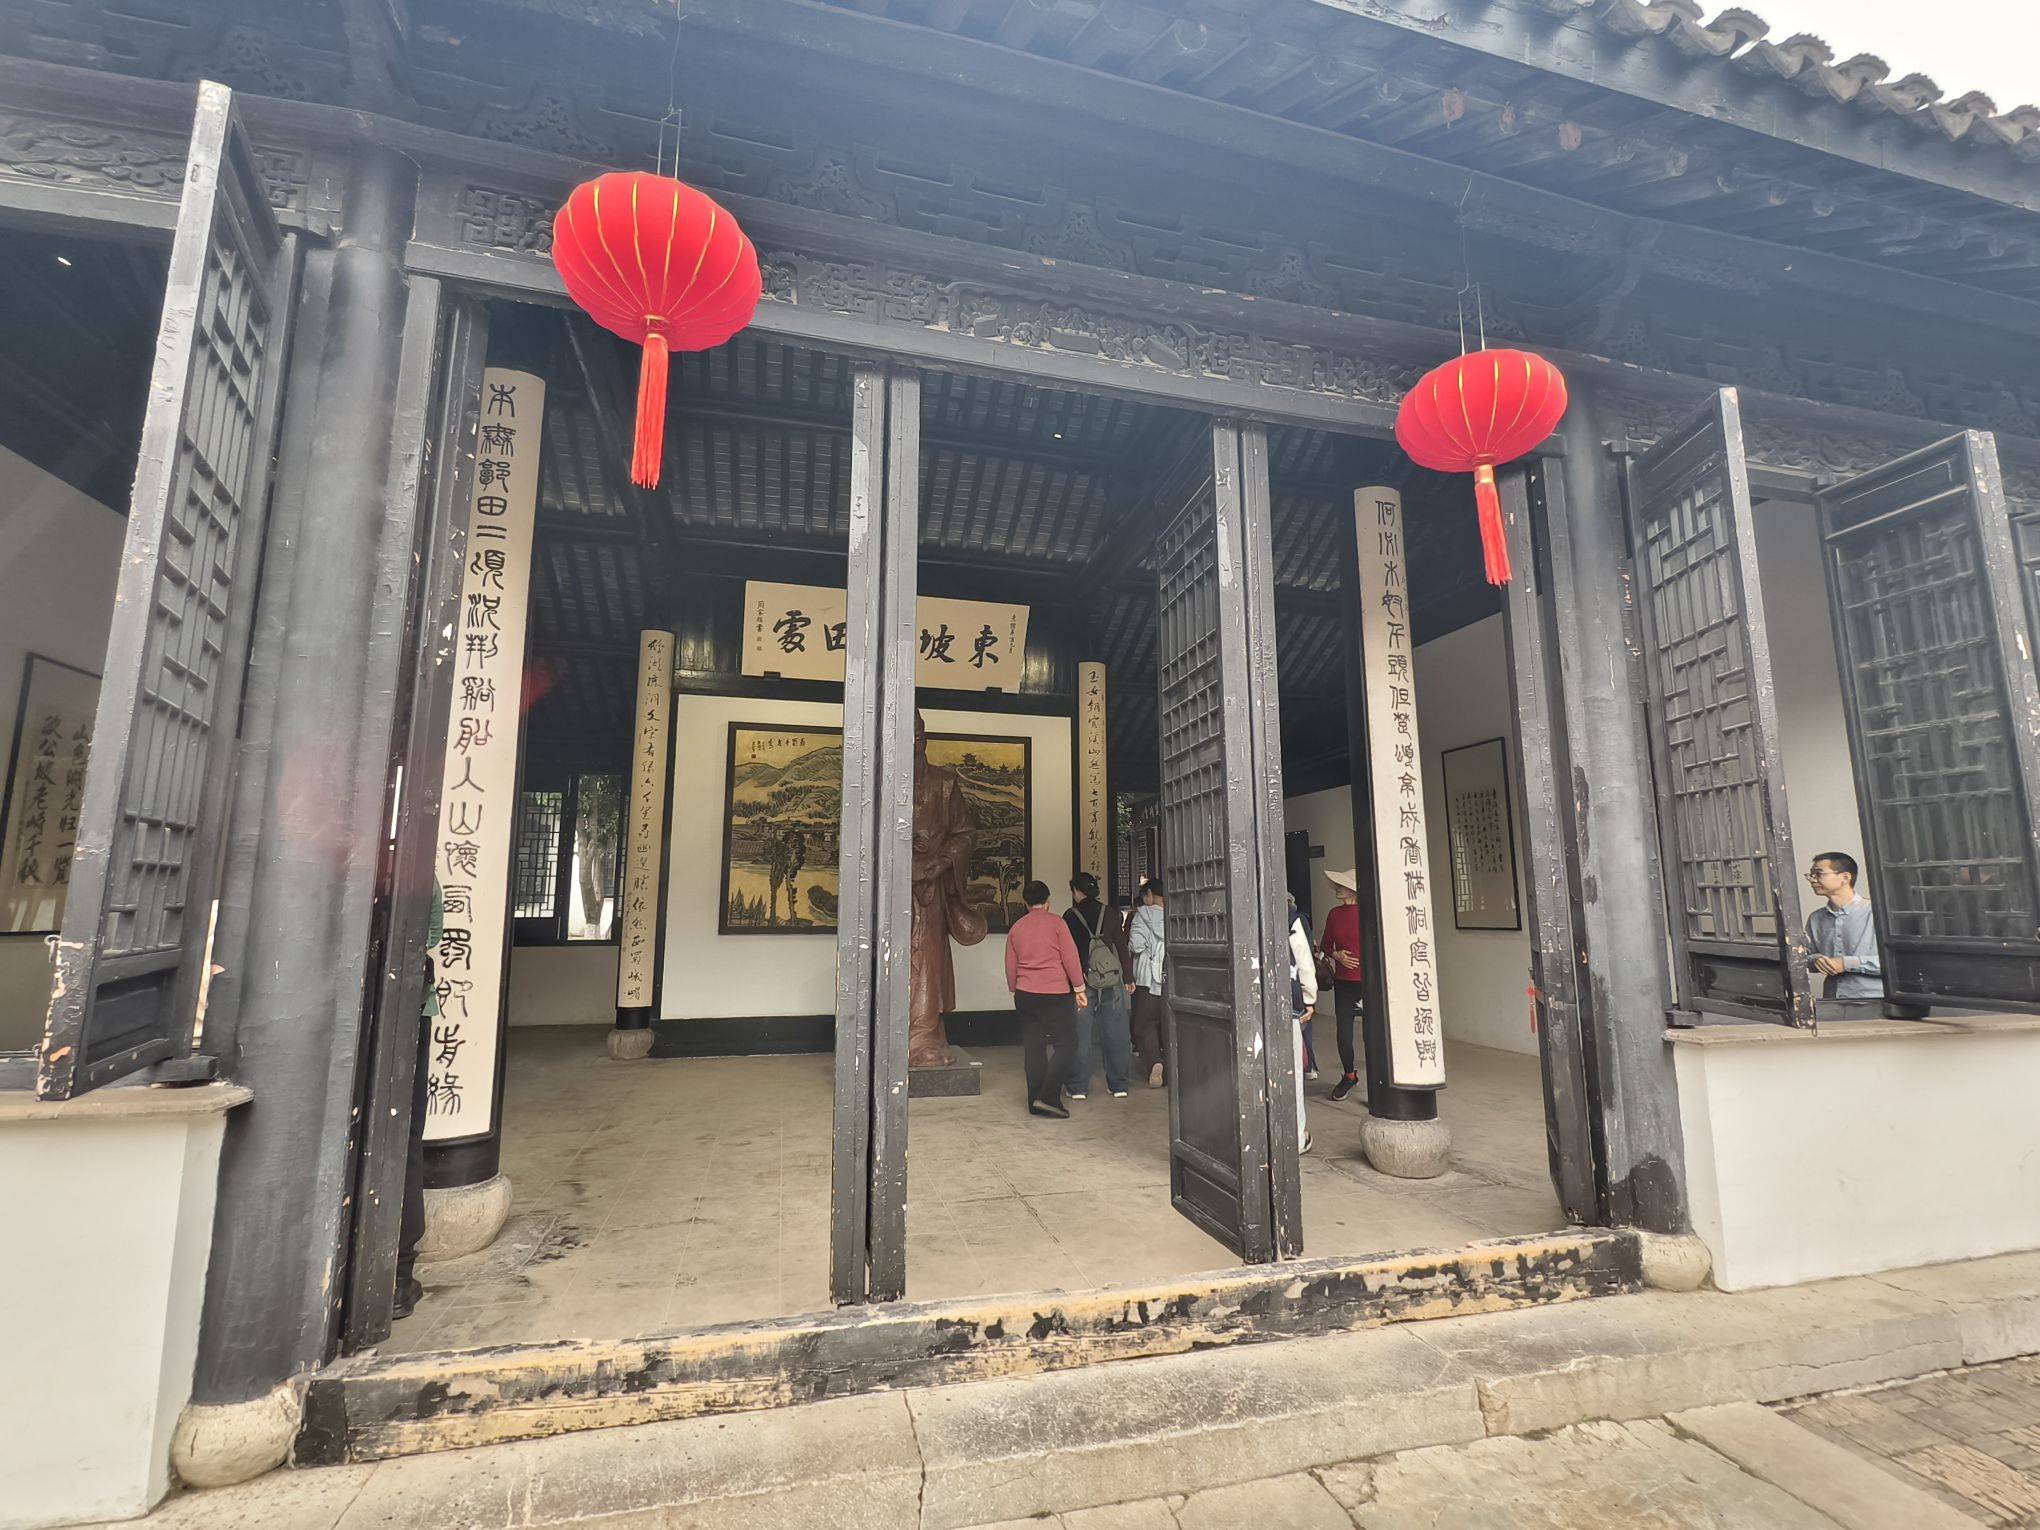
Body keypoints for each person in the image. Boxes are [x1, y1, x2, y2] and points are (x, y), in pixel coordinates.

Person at [394, 878, 443, 1321]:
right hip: (407, 1007)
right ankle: (396, 1275)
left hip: (388, 1006)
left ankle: (395, 1272)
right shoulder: (417, 874)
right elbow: (430, 933)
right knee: (405, 1133)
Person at [1005, 879, 1088, 1117]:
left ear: (1025, 903)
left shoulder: (1017, 928)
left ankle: (1035, 1102)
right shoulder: (1057, 923)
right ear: (1048, 902)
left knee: (1034, 1048)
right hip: (1055, 994)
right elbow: (1070, 957)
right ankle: (1048, 1096)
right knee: (1067, 1044)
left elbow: (1010, 963)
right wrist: (1079, 988)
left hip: (1025, 994)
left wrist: (1014, 988)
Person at [1064, 872, 1132, 1098]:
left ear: (1077, 892)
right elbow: (1121, 946)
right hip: (1110, 979)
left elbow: (1067, 952)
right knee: (1116, 1032)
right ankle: (1118, 1085)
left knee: (1080, 1034)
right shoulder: (1111, 913)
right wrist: (1128, 977)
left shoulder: (1070, 916)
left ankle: (1078, 1087)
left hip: (1081, 982)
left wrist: (1070, 982)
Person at [1805, 851, 1883, 1009]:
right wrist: (1815, 959)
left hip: (1875, 1003)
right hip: (1832, 1002)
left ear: (1845, 877)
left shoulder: (1877, 913)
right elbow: (1802, 958)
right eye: (1811, 875)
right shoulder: (1815, 918)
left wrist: (1845, 963)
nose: (1812, 879)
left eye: (1818, 874)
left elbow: (1897, 964)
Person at [1318, 867, 1366, 1102]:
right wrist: (1336, 955)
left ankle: (1379, 1081)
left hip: (1368, 984)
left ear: (1354, 889)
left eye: (1342, 885)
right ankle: (1349, 1075)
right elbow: (1326, 945)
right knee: (1344, 1035)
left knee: (1372, 1036)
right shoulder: (1334, 914)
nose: (1337, 888)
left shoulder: (1368, 913)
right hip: (1344, 983)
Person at [1128, 878, 1169, 1087]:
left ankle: (1155, 1063)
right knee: (1169, 1023)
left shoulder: (1142, 915)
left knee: (1145, 1025)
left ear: (1150, 894)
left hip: (1148, 979)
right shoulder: (1174, 914)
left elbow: (1136, 945)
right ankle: (1172, 1068)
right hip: (1171, 977)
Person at [1287, 891, 1318, 1154]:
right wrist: (1309, 998)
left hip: (1246, 1002)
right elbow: (1303, 961)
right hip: (1286, 1001)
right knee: (1292, 1071)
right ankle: (1296, 1137)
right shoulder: (1290, 918)